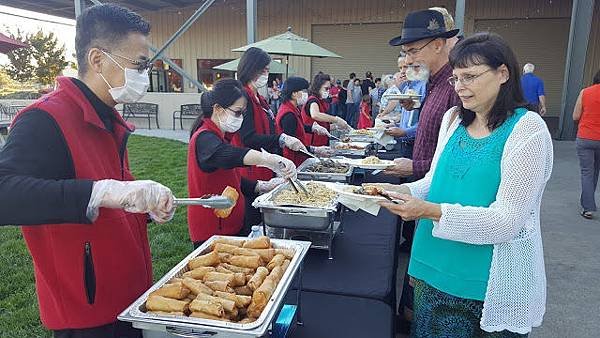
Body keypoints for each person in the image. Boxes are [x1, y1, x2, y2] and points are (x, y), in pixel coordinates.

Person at [0, 4, 175, 337]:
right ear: (98, 59)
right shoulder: (45, 119)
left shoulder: (108, 115)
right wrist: (101, 191)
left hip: (128, 294)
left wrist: (144, 207)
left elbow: (114, 196)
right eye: (139, 64)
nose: (144, 74)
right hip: (87, 313)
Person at [379, 32, 553, 337]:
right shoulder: (453, 119)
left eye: (470, 76)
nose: (460, 86)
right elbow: (434, 182)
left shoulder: (528, 130)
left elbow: (507, 221)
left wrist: (430, 211)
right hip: (430, 269)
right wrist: (397, 192)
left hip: (486, 284)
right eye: (456, 78)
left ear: (503, 73)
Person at [188, 79, 293, 248]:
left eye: (243, 112)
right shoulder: (204, 137)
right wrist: (269, 159)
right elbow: (229, 156)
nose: (241, 118)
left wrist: (262, 186)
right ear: (217, 109)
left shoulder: (221, 135)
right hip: (212, 230)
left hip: (231, 223)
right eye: (237, 112)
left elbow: (232, 179)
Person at [387, 9, 461, 181]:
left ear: (437, 45)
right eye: (406, 53)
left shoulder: (456, 86)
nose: (407, 61)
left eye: (413, 51)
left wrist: (415, 167)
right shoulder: (431, 81)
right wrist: (418, 105)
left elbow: (460, 156)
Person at [235, 47, 306, 181]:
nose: (266, 74)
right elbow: (248, 138)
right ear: (251, 69)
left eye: (267, 70)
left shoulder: (260, 98)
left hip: (266, 165)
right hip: (252, 168)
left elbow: (270, 129)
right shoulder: (243, 97)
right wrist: (281, 139)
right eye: (263, 70)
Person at [276, 76, 333, 165]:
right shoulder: (288, 114)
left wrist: (313, 128)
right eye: (304, 91)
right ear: (294, 93)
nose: (306, 94)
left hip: (299, 156)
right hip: (292, 160)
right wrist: (315, 149)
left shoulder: (294, 108)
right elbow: (292, 144)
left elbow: (298, 126)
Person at [573, 70, 600, 219]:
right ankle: (589, 201)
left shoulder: (585, 92)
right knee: (595, 172)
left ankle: (588, 207)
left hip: (586, 137)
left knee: (587, 172)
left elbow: (575, 116)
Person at [302, 73, 351, 146]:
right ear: (318, 87)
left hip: (322, 142)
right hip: (313, 143)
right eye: (326, 88)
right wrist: (336, 119)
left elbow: (323, 126)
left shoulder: (321, 101)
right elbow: (315, 115)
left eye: (329, 88)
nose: (328, 91)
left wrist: (337, 126)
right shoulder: (313, 101)